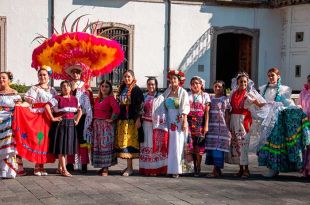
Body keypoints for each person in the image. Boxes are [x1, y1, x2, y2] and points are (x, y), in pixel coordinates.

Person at [258, 68, 310, 177]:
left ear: (278, 76)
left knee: (275, 144)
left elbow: (287, 103)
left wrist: (296, 108)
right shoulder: (263, 89)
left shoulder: (284, 89)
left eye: (273, 75)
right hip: (266, 120)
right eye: (269, 75)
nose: (271, 77)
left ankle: (274, 167)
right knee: (266, 143)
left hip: (277, 121)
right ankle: (271, 167)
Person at [14, 66, 57, 176]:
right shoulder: (34, 88)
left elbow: (56, 104)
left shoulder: (53, 90)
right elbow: (28, 102)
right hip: (37, 117)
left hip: (49, 117)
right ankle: (37, 166)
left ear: (49, 76)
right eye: (40, 75)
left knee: (46, 142)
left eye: (44, 75)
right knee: (39, 140)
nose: (42, 77)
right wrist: (20, 106)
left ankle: (42, 165)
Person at [227, 72, 266, 178]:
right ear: (237, 82)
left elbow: (261, 104)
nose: (243, 83)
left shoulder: (249, 94)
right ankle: (240, 169)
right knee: (236, 146)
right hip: (234, 121)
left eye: (245, 81)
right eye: (241, 81)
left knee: (244, 145)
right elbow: (230, 108)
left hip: (244, 121)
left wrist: (258, 102)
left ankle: (246, 170)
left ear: (247, 82)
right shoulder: (233, 94)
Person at [45, 80, 82, 177]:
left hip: (70, 124)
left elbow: (80, 111)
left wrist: (77, 120)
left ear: (70, 88)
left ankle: (59, 168)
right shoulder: (57, 98)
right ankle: (64, 170)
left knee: (66, 147)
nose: (66, 88)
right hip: (61, 124)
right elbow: (47, 106)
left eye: (67, 86)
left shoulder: (75, 99)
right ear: (61, 88)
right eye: (63, 86)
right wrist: (53, 118)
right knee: (61, 147)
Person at [115, 70, 144, 176]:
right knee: (125, 143)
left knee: (130, 143)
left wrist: (138, 119)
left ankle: (131, 168)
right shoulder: (122, 88)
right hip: (123, 120)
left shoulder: (136, 90)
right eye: (125, 76)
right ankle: (128, 166)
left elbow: (140, 106)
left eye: (129, 77)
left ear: (133, 77)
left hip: (132, 121)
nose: (127, 78)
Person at [139, 77, 169, 176]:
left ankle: (156, 169)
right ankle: (147, 169)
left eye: (153, 84)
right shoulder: (143, 96)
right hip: (145, 124)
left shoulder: (160, 97)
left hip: (156, 126)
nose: (151, 86)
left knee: (155, 146)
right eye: (149, 84)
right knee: (146, 145)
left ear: (156, 86)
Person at [66, 66, 93, 173]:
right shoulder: (67, 84)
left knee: (83, 139)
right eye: (73, 72)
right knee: (70, 139)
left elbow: (90, 100)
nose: (75, 74)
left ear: (80, 74)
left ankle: (84, 163)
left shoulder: (85, 85)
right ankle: (70, 163)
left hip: (83, 116)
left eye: (77, 72)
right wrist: (71, 90)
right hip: (70, 114)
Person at [163, 70, 190, 178]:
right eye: (171, 78)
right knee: (169, 144)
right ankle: (169, 168)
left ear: (179, 81)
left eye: (175, 79)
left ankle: (177, 169)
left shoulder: (183, 92)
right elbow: (161, 102)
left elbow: (185, 106)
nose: (173, 80)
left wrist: (184, 121)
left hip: (178, 120)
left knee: (178, 144)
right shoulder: (167, 91)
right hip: (168, 119)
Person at [92, 80, 120, 176]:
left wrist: (111, 119)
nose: (104, 88)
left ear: (110, 88)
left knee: (105, 146)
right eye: (102, 86)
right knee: (98, 147)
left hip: (105, 126)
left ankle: (105, 168)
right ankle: (102, 166)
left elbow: (116, 109)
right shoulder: (97, 99)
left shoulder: (110, 98)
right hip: (97, 125)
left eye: (106, 86)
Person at [205, 80, 231, 177]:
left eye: (219, 87)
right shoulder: (210, 98)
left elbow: (227, 114)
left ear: (223, 88)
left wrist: (227, 128)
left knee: (218, 148)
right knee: (212, 148)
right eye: (215, 86)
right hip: (212, 127)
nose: (217, 88)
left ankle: (216, 170)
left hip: (221, 128)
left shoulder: (225, 99)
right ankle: (216, 170)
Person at [187, 76, 210, 176]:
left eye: (197, 83)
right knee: (191, 146)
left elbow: (207, 113)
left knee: (199, 146)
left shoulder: (205, 96)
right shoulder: (188, 95)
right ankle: (194, 166)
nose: (195, 85)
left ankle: (198, 166)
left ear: (201, 85)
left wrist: (206, 125)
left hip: (200, 123)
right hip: (189, 123)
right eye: (193, 83)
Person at [0, 72, 21, 178]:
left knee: (8, 146)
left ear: (8, 80)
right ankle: (1, 170)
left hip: (9, 122)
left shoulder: (14, 93)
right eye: (0, 78)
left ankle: (9, 171)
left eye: (4, 78)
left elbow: (19, 106)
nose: (1, 79)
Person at [298, 74, 310, 177]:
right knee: (306, 145)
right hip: (305, 122)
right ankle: (306, 169)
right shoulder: (303, 92)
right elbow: (299, 105)